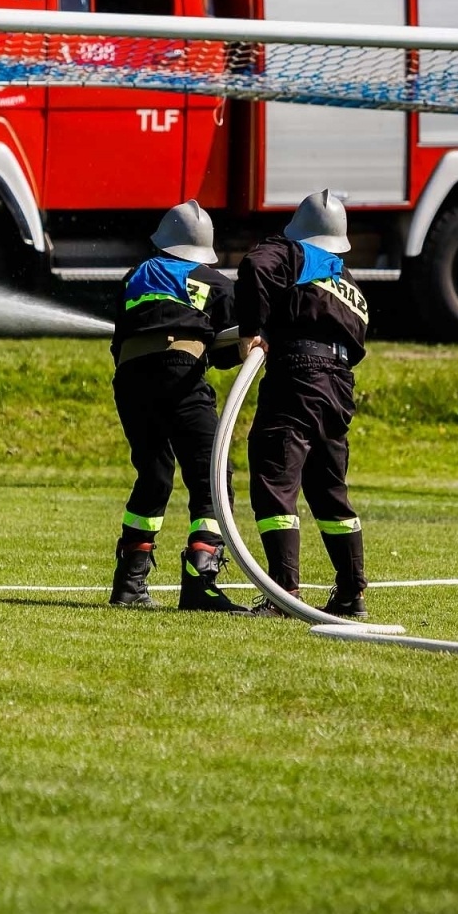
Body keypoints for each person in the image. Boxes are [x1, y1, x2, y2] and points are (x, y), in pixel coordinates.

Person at [236, 189, 370, 618]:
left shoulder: (293, 252)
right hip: (339, 383)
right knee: (329, 489)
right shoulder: (344, 279)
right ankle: (351, 594)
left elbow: (256, 266)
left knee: (276, 477)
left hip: (297, 374)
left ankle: (283, 593)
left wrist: (249, 332)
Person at [109, 199, 244, 612]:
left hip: (131, 379)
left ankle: (129, 584)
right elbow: (225, 350)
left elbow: (122, 338)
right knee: (211, 475)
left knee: (154, 476)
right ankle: (200, 582)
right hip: (180, 373)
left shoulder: (137, 275)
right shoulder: (215, 283)